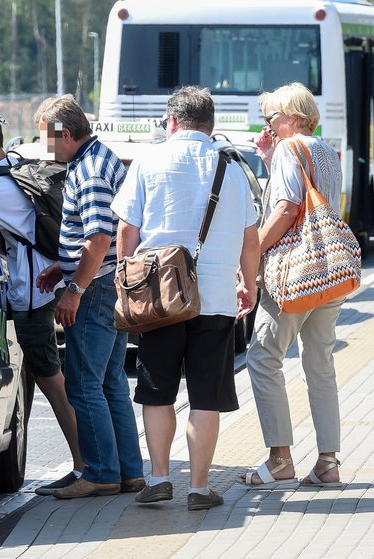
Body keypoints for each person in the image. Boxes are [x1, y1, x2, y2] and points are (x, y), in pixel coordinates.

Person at [111, 86, 260, 510]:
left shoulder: (148, 160)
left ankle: (159, 477)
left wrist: (128, 278)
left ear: (171, 121)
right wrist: (247, 283)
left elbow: (127, 230)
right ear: (211, 126)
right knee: (206, 394)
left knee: (157, 389)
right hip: (214, 297)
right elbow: (250, 238)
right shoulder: (231, 167)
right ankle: (198, 487)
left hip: (160, 297)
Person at [0, 102, 86, 493]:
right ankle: (26, 459)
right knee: (34, 376)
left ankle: (85, 465)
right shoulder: (16, 170)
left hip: (31, 298)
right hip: (42, 289)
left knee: (51, 379)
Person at [34, 94, 145, 499]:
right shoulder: (100, 158)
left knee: (82, 383)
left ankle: (100, 472)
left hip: (95, 287)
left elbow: (98, 237)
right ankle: (128, 471)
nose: (45, 147)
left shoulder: (91, 170)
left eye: (47, 138)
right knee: (111, 380)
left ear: (65, 134)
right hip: (105, 282)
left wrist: (74, 288)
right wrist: (62, 266)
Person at [241, 82, 345, 488]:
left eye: (273, 116)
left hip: (294, 273)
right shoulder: (325, 150)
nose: (268, 123)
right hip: (329, 272)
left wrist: (252, 252)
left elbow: (286, 208)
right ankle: (328, 462)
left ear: (294, 116)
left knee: (263, 356)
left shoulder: (290, 149)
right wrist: (271, 159)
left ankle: (280, 457)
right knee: (320, 364)